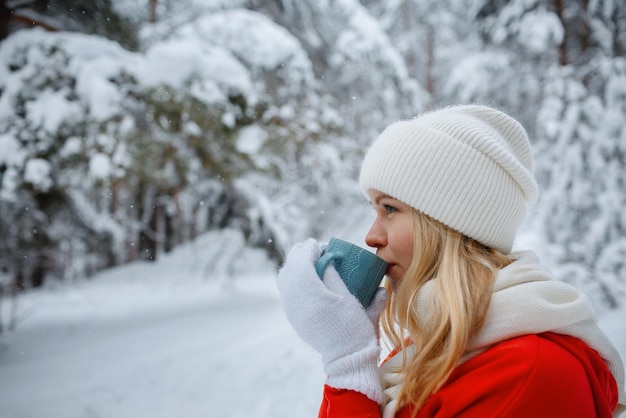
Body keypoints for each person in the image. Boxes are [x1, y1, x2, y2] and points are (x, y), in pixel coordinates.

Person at [276, 104, 626, 417]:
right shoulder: (432, 352)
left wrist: (349, 368)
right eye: (374, 210)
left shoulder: (527, 373)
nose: (372, 236)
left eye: (390, 209)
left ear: (449, 225)